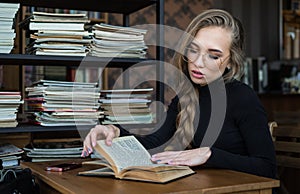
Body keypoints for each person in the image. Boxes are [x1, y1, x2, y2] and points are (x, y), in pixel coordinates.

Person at [82, 9, 277, 180]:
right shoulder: (185, 96)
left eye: (213, 55)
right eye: (194, 50)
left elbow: (267, 168)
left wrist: (210, 155)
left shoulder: (243, 98)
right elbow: (155, 142)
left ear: (230, 62)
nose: (199, 62)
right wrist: (114, 132)